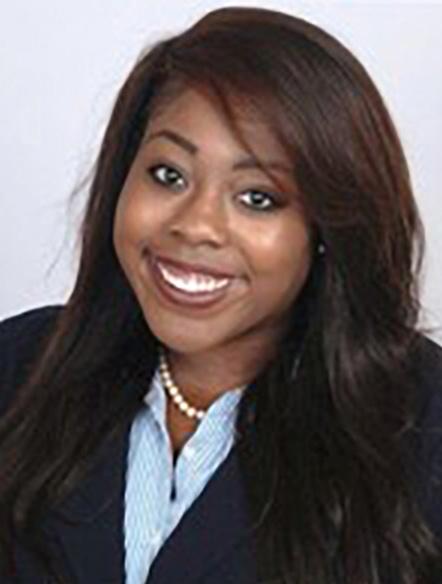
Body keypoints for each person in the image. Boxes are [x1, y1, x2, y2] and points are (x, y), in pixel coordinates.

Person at [0, 6, 441, 583]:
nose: (196, 225)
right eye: (169, 175)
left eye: (258, 197)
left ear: (327, 227)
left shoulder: (422, 425)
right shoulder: (18, 366)